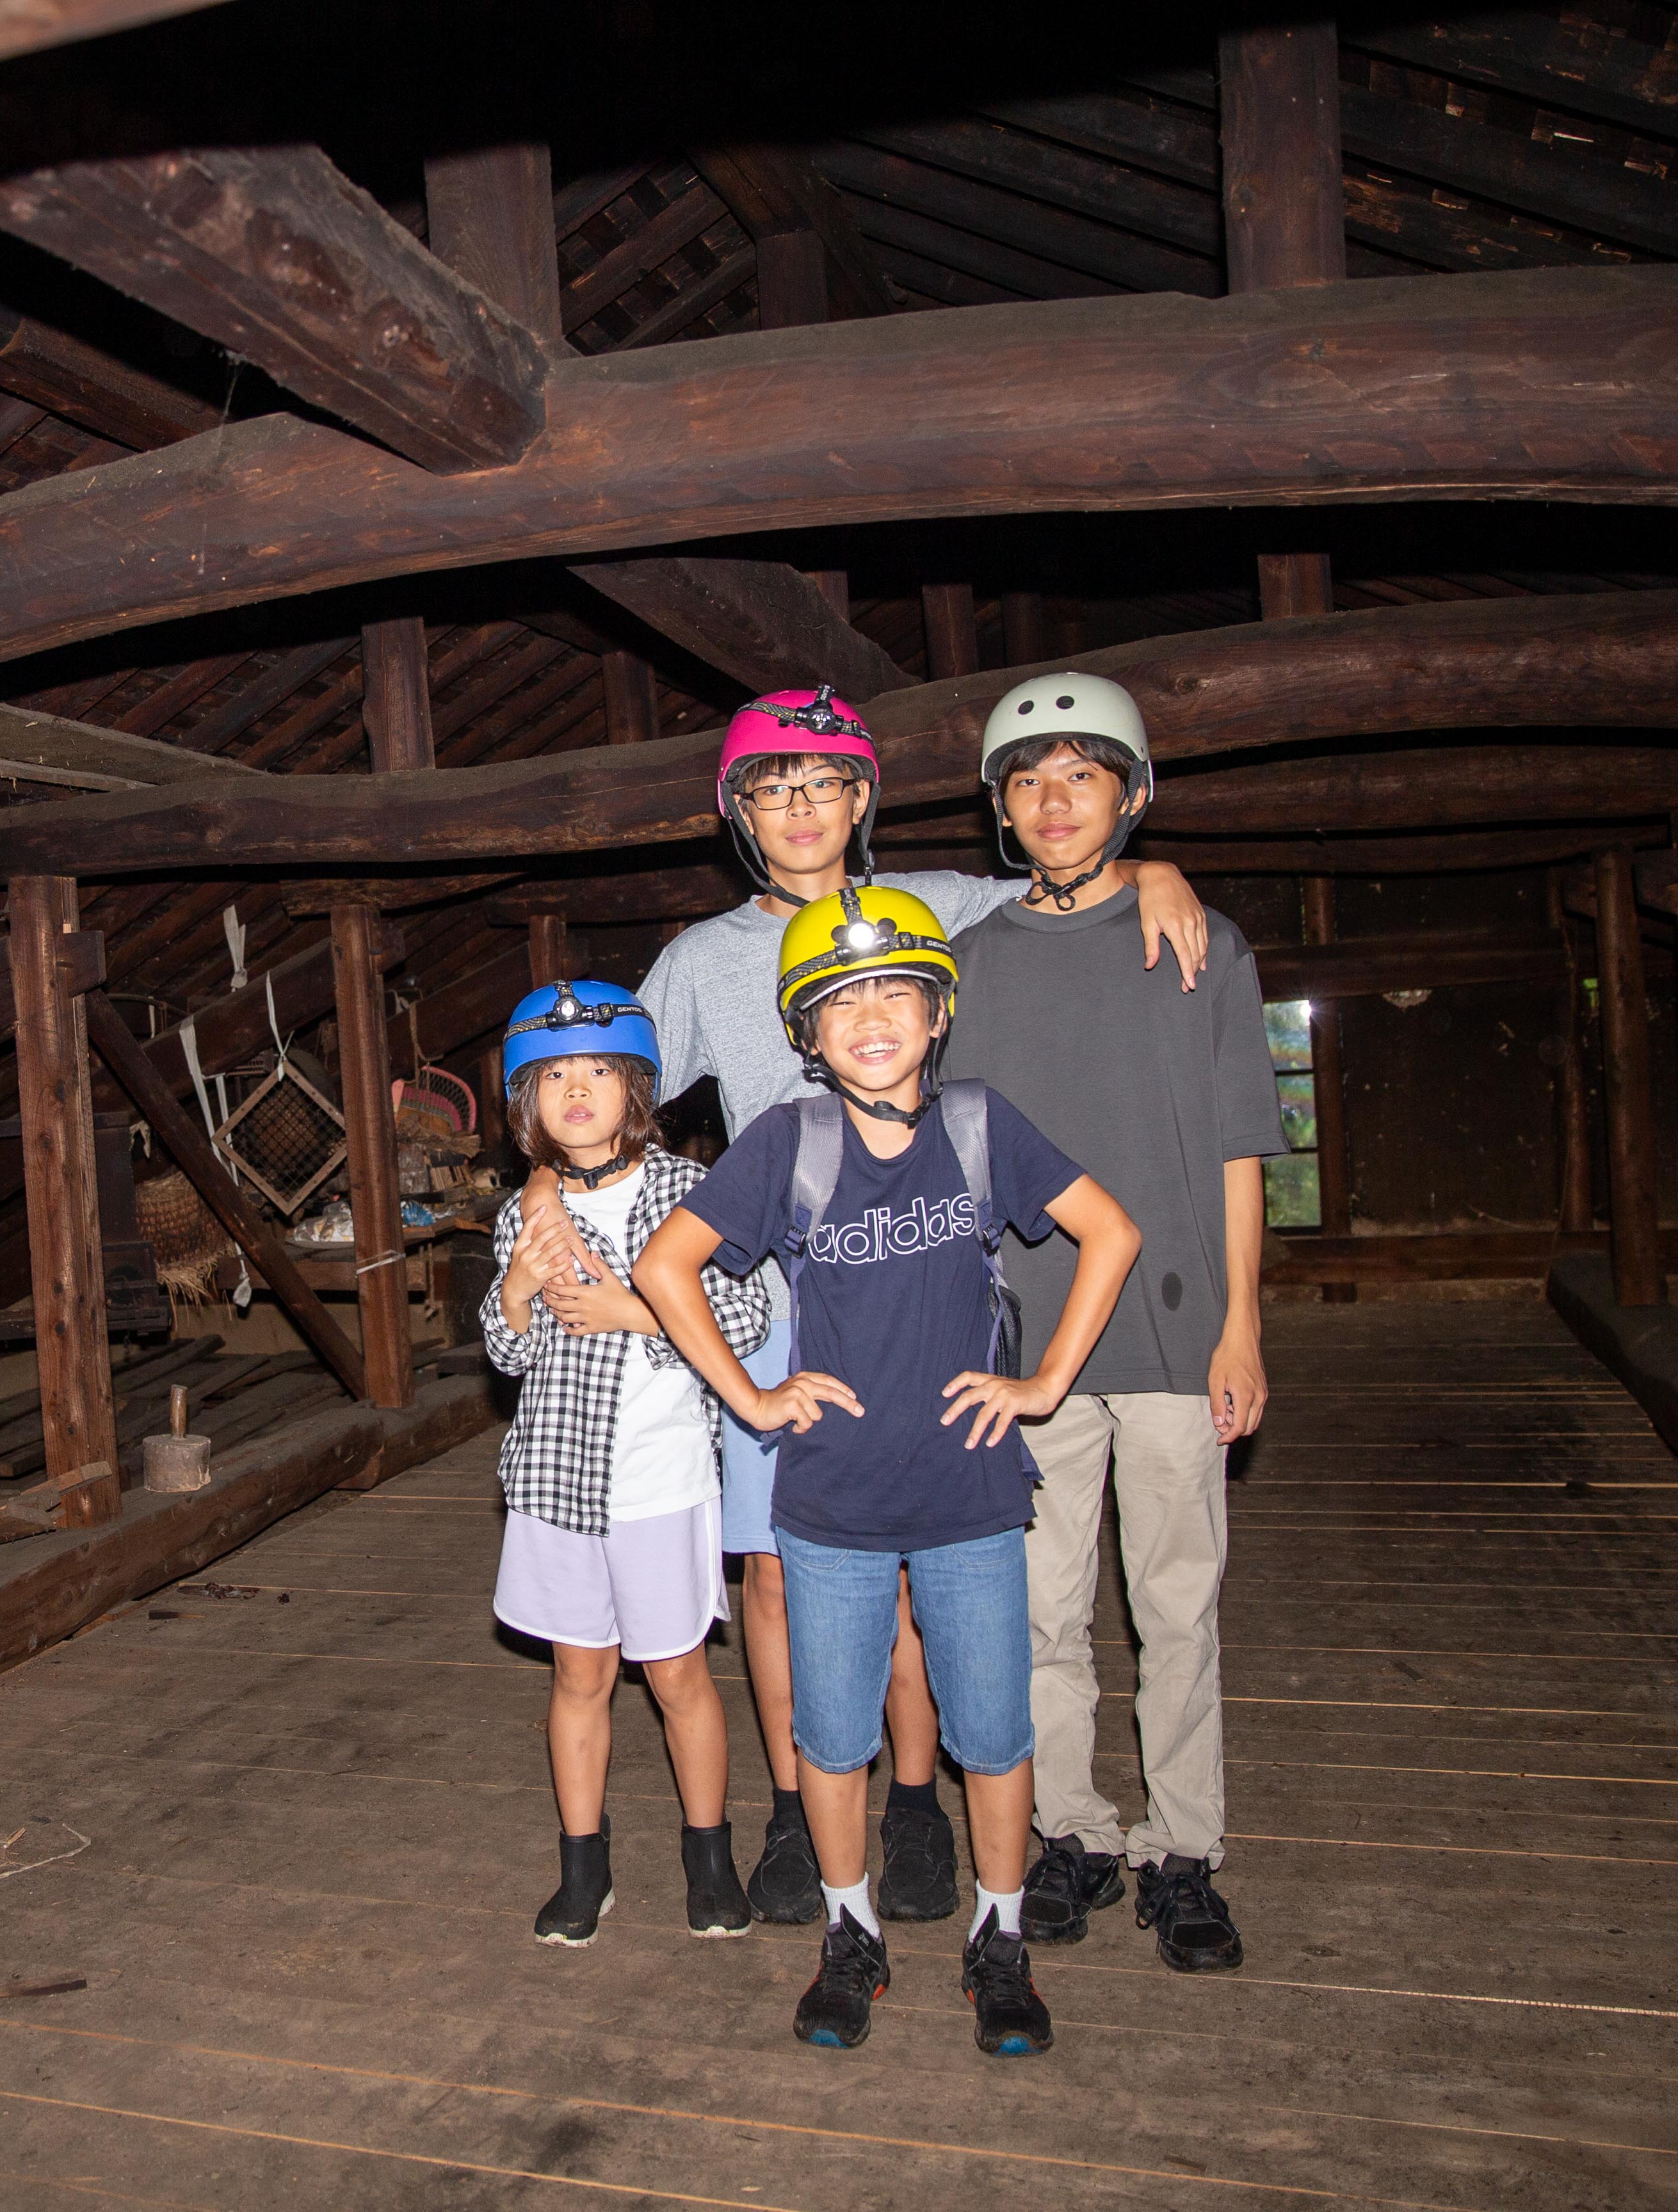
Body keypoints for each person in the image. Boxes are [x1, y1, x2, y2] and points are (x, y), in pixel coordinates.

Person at [524, 685, 1204, 1932]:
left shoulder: (941, 904)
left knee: (907, 1581)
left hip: (916, 1289)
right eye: (772, 790)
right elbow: (597, 1086)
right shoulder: (703, 960)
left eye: (823, 784)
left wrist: (1153, 869)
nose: (800, 809)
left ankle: (914, 1803)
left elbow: (1067, 880)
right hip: (766, 1304)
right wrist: (539, 1187)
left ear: (862, 800)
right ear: (739, 815)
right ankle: (799, 1807)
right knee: (776, 1580)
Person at [635, 888, 1140, 2057]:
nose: (871, 1018)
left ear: (938, 1012)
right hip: (833, 1503)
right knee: (831, 1737)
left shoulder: (980, 1126)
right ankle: (849, 1932)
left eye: (895, 993)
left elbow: (1111, 1231)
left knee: (995, 1735)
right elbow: (668, 1266)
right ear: (806, 1033)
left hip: (970, 1495)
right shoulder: (788, 1142)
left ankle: (999, 1940)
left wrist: (1044, 1384)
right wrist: (753, 1398)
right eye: (842, 1001)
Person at [940, 671, 1288, 1975]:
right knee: (1042, 1611)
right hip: (1030, 1339)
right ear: (1001, 809)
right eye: (1028, 781)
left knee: (1177, 1606)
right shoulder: (972, 963)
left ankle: (1183, 1849)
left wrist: (1242, 1325)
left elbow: (1243, 1144)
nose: (1053, 800)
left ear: (1131, 794)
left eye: (1081, 776)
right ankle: (1072, 1831)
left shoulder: (1202, 943)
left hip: (1176, 1328)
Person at [480, 980, 771, 1946]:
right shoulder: (526, 1212)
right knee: (579, 1677)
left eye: (599, 1071)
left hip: (660, 1481)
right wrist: (516, 1290)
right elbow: (507, 1354)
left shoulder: (688, 1194)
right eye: (553, 1075)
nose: (576, 1090)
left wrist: (634, 1312)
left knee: (679, 1675)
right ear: (528, 1100)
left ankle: (710, 1861)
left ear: (637, 1087)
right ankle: (583, 1867)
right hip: (557, 1484)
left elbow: (747, 1318)